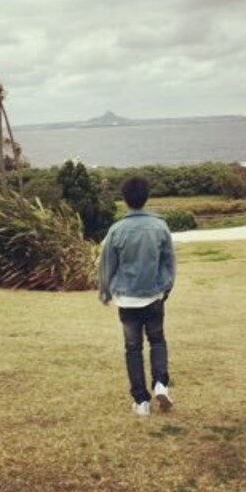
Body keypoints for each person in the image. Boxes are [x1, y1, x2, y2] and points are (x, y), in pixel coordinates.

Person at [99, 175, 176, 416]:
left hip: (127, 299)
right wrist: (167, 286)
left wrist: (104, 291)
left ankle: (141, 401)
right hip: (154, 295)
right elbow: (169, 261)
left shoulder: (116, 230)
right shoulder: (159, 226)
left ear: (124, 199)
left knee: (133, 348)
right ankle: (161, 384)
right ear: (146, 197)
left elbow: (107, 264)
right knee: (157, 340)